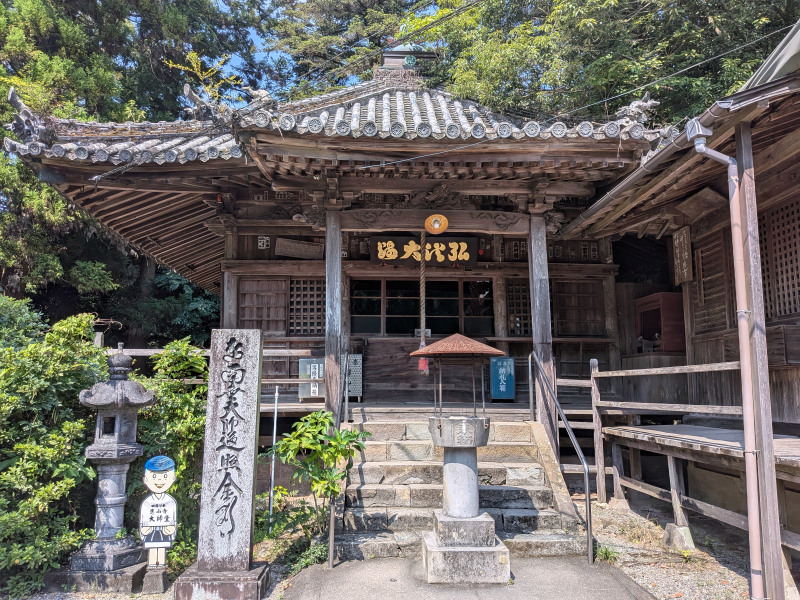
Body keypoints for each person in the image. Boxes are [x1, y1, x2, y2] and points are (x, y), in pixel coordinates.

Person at [139, 455, 177, 568]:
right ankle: (152, 564)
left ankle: (160, 564)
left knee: (161, 548)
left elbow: (173, 517)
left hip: (164, 530)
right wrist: (143, 529)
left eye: (165, 476)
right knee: (152, 546)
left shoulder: (170, 501)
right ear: (146, 479)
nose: (159, 480)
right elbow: (143, 517)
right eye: (154, 476)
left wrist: (172, 528)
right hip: (151, 530)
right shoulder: (147, 502)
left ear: (173, 478)